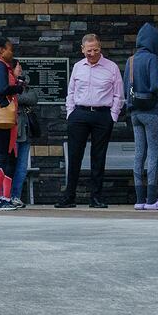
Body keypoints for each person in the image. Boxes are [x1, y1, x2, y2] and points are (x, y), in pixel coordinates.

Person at [56, 33, 122, 209]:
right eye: (89, 50)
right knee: (74, 156)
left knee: (98, 157)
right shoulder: (78, 67)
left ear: (100, 48)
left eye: (96, 50)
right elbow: (71, 92)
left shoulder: (112, 67)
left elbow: (118, 94)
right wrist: (71, 113)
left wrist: (112, 116)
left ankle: (96, 197)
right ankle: (69, 196)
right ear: (82, 49)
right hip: (80, 114)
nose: (92, 53)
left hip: (102, 115)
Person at [128, 23, 158, 211]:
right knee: (153, 154)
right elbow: (157, 85)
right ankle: (152, 199)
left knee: (139, 154)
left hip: (135, 112)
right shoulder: (153, 58)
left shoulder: (131, 60)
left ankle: (139, 200)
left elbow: (126, 88)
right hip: (152, 111)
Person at [0, 36, 24, 210]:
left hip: (8, 119)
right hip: (3, 118)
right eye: (10, 49)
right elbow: (2, 89)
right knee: (3, 157)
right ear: (1, 50)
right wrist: (18, 85)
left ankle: (5, 197)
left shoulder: (0, 66)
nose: (12, 52)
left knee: (11, 158)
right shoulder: (0, 66)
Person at [10, 59, 38, 209]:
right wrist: (19, 97)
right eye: (18, 67)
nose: (20, 69)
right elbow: (12, 98)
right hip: (13, 129)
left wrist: (19, 97)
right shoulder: (6, 84)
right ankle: (5, 195)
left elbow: (33, 98)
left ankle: (16, 195)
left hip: (26, 130)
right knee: (9, 164)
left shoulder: (25, 85)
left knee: (21, 166)